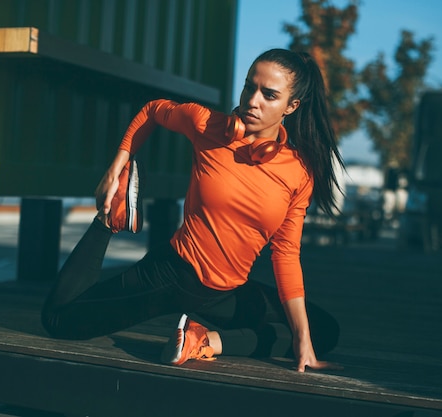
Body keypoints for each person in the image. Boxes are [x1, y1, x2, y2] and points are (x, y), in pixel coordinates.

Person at [41, 48, 343, 373]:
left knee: (319, 332)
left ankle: (204, 341)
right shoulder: (209, 127)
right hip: (173, 275)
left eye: (269, 95)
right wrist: (118, 164)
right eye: (248, 87)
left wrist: (301, 339)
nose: (252, 101)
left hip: (225, 294)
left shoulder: (299, 172)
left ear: (291, 106)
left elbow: (285, 253)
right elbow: (154, 111)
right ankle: (107, 220)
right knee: (59, 320)